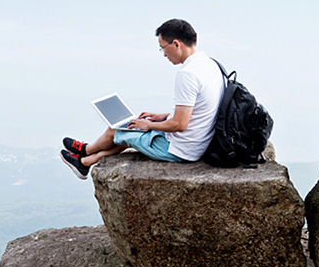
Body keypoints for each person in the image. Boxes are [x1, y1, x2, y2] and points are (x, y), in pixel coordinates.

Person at [61, 18, 225, 179]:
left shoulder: (187, 74)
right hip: (197, 143)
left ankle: (86, 152)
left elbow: (180, 124)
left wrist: (149, 125)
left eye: (163, 48)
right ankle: (86, 160)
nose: (164, 55)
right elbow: (197, 109)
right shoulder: (210, 65)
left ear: (176, 44)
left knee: (117, 130)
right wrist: (163, 116)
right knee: (131, 129)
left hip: (178, 149)